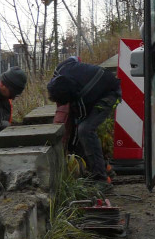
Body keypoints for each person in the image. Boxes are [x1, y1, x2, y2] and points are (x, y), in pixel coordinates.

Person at [46, 57, 122, 187]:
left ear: (71, 98)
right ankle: (105, 167)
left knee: (85, 130)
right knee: (84, 132)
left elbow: (76, 130)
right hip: (98, 82)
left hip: (109, 94)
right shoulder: (61, 69)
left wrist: (68, 149)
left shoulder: (81, 99)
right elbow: (74, 59)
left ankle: (101, 178)